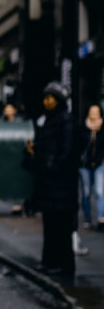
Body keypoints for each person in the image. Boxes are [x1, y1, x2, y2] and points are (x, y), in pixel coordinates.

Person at [23, 82, 80, 279]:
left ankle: (62, 265)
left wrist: (50, 167)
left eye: (50, 98)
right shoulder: (48, 121)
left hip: (62, 186)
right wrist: (33, 152)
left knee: (62, 227)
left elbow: (67, 154)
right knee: (50, 225)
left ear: (59, 100)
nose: (46, 102)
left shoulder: (67, 122)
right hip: (49, 185)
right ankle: (49, 261)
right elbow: (45, 150)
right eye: (45, 98)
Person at [79, 102, 104, 230]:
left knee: (100, 192)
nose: (94, 115)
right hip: (85, 165)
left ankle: (100, 217)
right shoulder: (83, 129)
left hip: (99, 164)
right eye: (92, 112)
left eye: (96, 112)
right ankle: (87, 218)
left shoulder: (102, 130)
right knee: (86, 193)